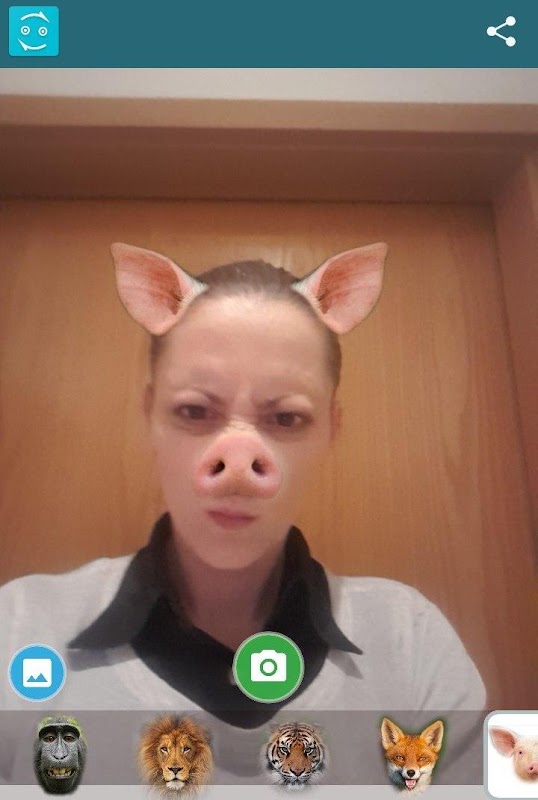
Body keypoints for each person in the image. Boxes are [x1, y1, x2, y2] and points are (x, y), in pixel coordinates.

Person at [0, 241, 485, 785]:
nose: (237, 464)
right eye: (193, 411)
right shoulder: (18, 629)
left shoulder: (410, 643)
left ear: (331, 431)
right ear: (149, 416)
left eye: (286, 418)